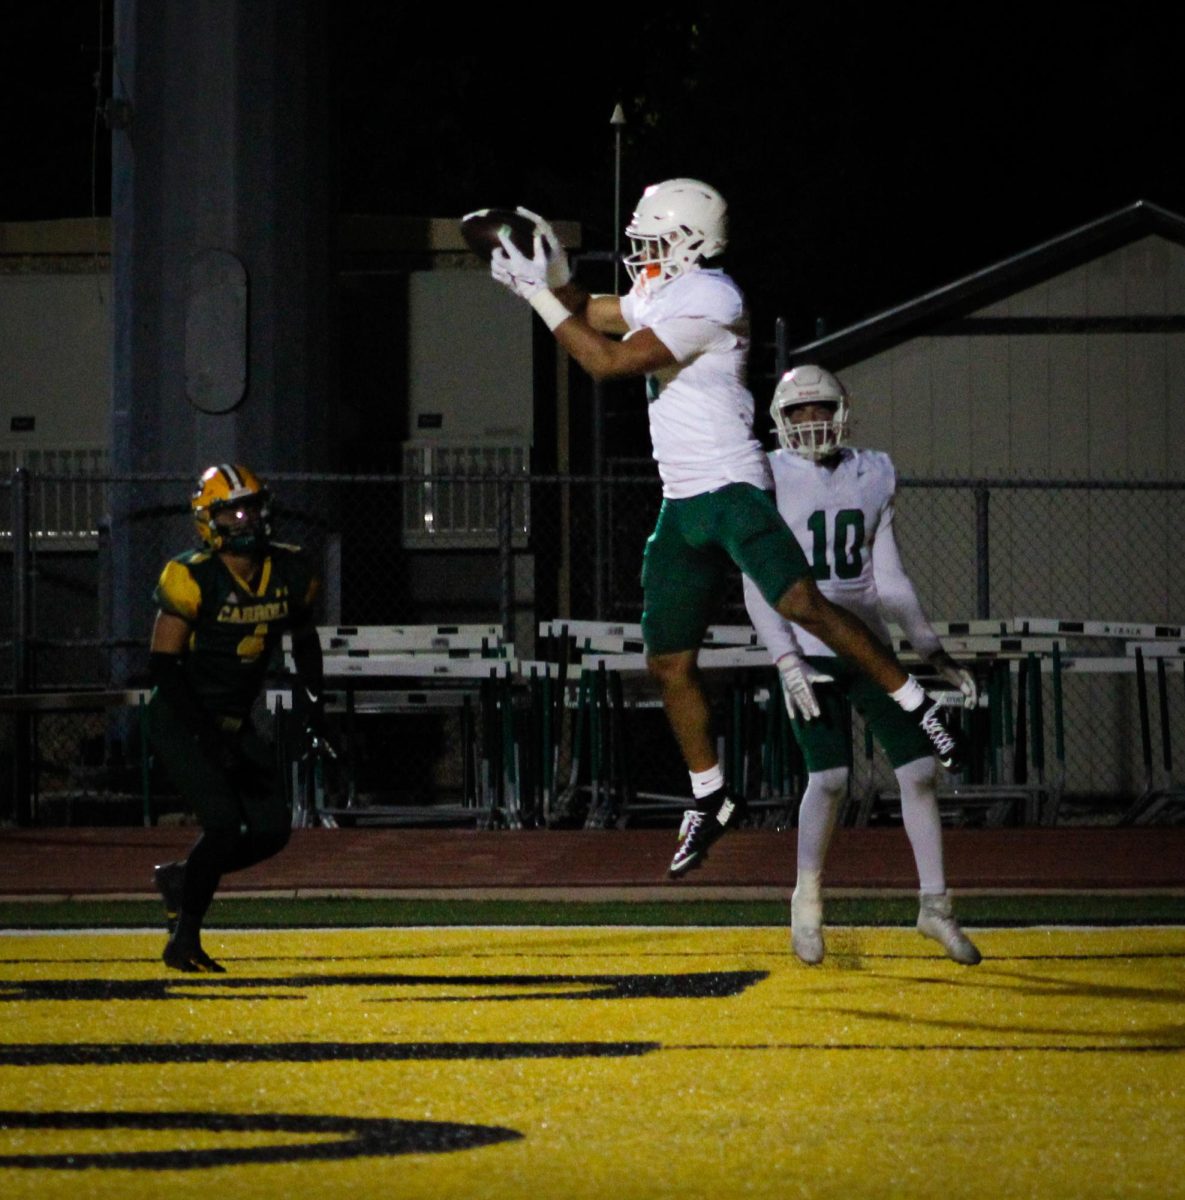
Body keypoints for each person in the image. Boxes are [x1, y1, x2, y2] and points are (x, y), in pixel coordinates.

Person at [488, 179, 963, 878]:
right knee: (667, 662)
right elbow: (592, 311)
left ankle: (911, 698)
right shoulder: (664, 291)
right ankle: (710, 793)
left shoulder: (713, 297)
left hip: (732, 486)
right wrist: (549, 275)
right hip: (680, 503)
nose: (642, 255)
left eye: (653, 241)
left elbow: (605, 360)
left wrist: (536, 294)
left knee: (800, 601)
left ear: (690, 242)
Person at [743, 365, 981, 965]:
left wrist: (929, 648)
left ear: (841, 411)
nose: (810, 421)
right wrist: (785, 656)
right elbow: (755, 579)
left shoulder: (871, 471)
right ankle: (806, 901)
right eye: (797, 412)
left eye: (819, 408)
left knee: (921, 770)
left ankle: (936, 906)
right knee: (829, 779)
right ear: (779, 419)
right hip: (807, 642)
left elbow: (890, 579)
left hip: (868, 644)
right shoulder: (764, 475)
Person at [148, 464, 326, 972]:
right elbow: (163, 665)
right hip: (183, 717)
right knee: (224, 825)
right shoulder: (190, 575)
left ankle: (185, 876)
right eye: (232, 510)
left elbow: (304, 636)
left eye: (250, 507)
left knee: (271, 829)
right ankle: (184, 937)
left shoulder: (290, 569)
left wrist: (314, 704)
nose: (245, 519)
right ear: (209, 520)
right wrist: (209, 739)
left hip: (233, 721)